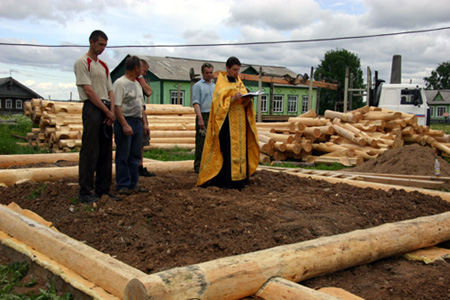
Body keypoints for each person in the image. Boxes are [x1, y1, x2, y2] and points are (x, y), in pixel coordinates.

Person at [197, 57, 259, 189]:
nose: (237, 73)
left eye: (238, 70)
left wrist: (247, 100)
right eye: (234, 70)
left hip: (240, 122)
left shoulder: (239, 82)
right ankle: (227, 181)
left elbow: (244, 100)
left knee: (241, 150)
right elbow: (217, 105)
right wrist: (231, 99)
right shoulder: (221, 83)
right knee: (228, 151)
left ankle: (241, 179)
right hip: (227, 124)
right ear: (227, 68)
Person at [74, 30, 119, 203]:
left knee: (106, 151)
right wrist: (106, 111)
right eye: (100, 44)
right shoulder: (82, 62)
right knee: (90, 150)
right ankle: (85, 191)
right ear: (91, 42)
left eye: (105, 45)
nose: (102, 48)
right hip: (93, 108)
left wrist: (112, 111)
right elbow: (89, 90)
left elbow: (110, 90)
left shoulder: (104, 65)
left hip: (106, 107)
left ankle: (103, 190)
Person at [113, 56, 149, 195]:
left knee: (135, 155)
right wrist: (124, 124)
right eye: (141, 67)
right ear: (136, 68)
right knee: (123, 154)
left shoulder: (137, 84)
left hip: (137, 122)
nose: (142, 70)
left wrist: (144, 123)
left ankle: (133, 184)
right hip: (125, 121)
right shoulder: (120, 83)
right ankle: (123, 185)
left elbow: (140, 106)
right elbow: (117, 106)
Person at [192, 62, 215, 173]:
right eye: (207, 72)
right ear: (202, 73)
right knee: (201, 141)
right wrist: (200, 118)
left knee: (212, 141)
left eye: (211, 72)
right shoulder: (198, 86)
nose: (209, 75)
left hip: (213, 115)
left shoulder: (214, 86)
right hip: (203, 114)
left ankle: (209, 163)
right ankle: (198, 165)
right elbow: (196, 103)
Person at [136, 59, 156, 177]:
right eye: (144, 71)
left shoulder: (140, 80)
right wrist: (140, 77)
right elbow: (148, 92)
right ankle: (134, 167)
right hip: (133, 114)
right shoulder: (134, 81)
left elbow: (149, 91)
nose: (145, 74)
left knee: (142, 142)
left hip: (141, 112)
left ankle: (140, 166)